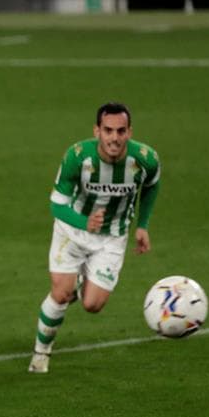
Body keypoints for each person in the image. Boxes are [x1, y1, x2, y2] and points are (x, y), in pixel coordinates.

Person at [28, 102, 161, 373]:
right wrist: (84, 222)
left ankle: (78, 285)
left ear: (129, 132)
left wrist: (143, 225)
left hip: (112, 237)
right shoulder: (77, 156)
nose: (114, 137)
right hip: (73, 231)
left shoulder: (145, 159)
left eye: (121, 131)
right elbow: (56, 203)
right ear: (97, 131)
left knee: (92, 305)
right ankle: (41, 353)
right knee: (59, 294)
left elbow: (151, 185)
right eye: (108, 130)